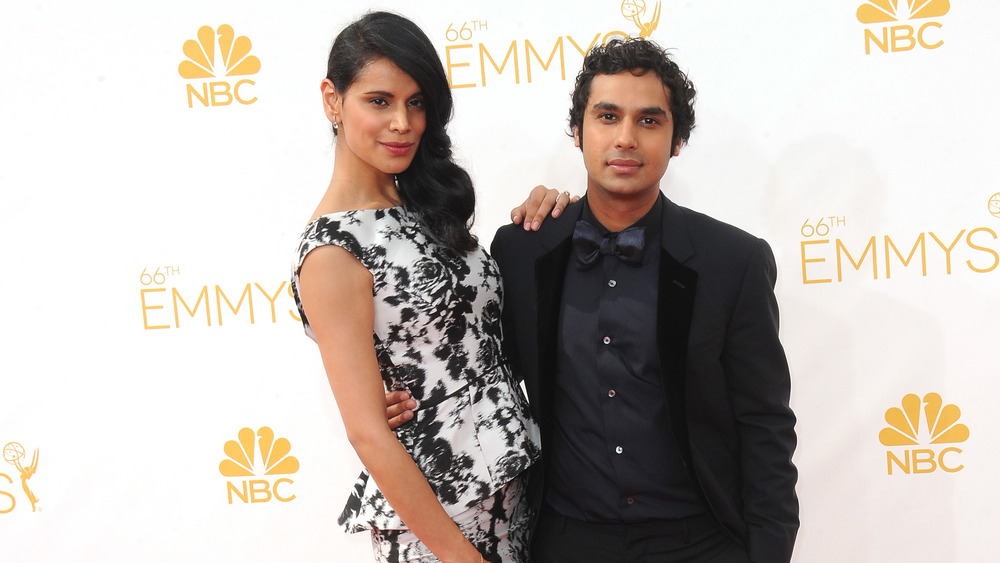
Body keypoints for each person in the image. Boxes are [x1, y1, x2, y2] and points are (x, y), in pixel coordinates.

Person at [488, 38, 799, 562]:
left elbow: (765, 422)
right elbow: (487, 376)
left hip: (700, 541)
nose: (625, 138)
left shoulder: (732, 261)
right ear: (578, 131)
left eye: (650, 121)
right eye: (607, 116)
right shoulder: (522, 249)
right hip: (565, 541)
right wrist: (405, 396)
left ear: (676, 140)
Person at [290, 12, 566, 563]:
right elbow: (368, 433)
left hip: (514, 488)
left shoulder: (420, 205)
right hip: (442, 526)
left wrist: (547, 213)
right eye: (379, 101)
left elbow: (473, 332)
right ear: (332, 99)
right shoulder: (331, 252)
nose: (403, 123)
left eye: (417, 103)